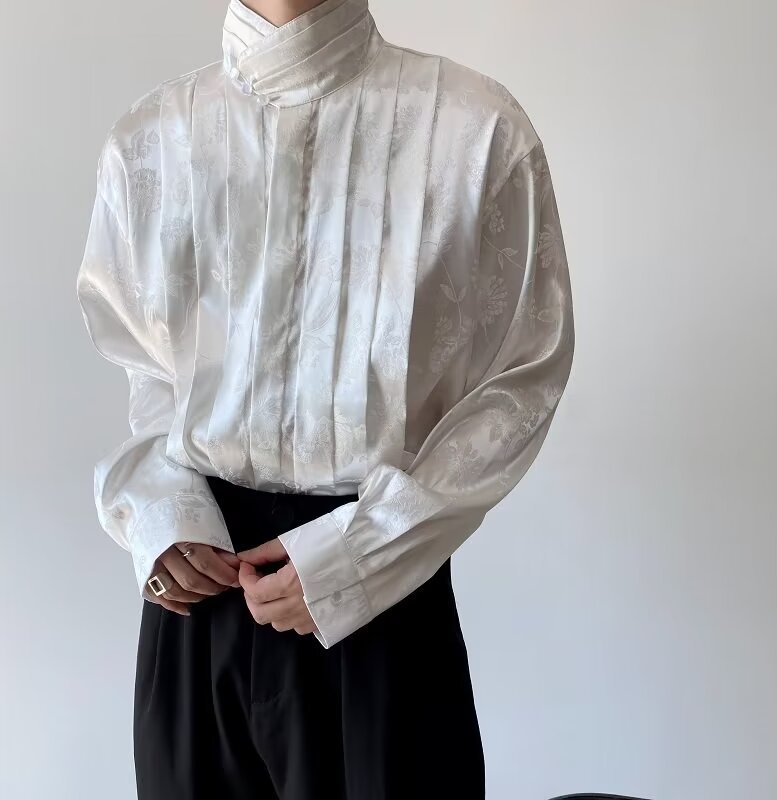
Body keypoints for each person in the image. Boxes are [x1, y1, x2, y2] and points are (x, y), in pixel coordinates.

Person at [75, 0, 575, 797]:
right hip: (198, 603)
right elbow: (149, 371)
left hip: (381, 614)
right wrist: (161, 516)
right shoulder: (151, 141)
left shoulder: (475, 132)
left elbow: (521, 378)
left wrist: (368, 553)